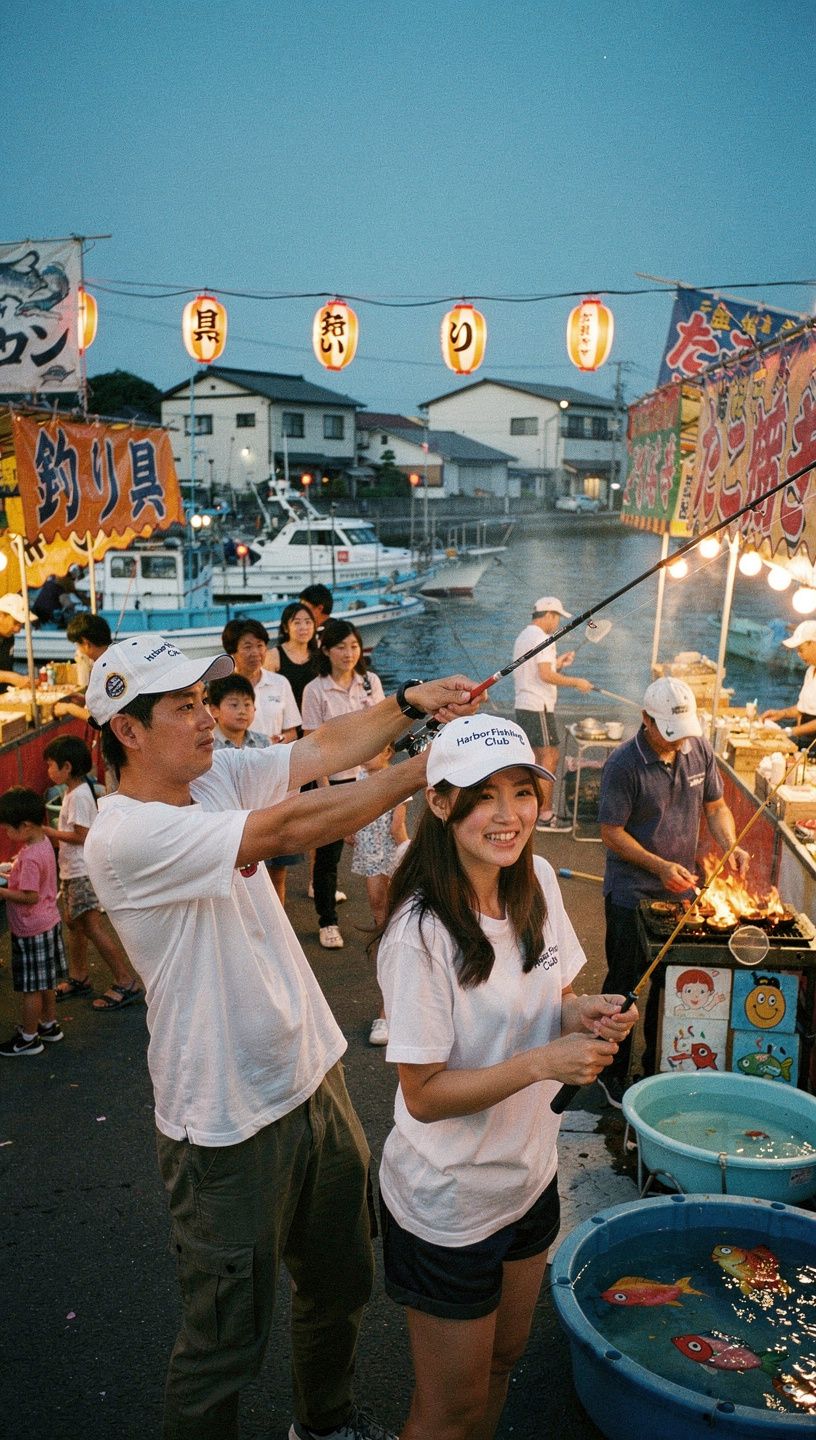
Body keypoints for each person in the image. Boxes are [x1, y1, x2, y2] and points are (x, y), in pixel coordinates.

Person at [82, 630, 477, 1440]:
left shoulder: (214, 776)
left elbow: (319, 749)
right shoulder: (123, 835)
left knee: (341, 1284)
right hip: (224, 1121)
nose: (207, 719)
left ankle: (324, 1426)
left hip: (313, 1079)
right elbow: (292, 826)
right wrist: (431, 768)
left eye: (205, 700)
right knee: (222, 1345)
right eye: (185, 706)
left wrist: (409, 702)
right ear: (127, 729)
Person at [375, 714, 636, 1440]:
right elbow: (423, 1096)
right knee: (447, 1409)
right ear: (438, 803)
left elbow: (549, 1003)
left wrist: (586, 1014)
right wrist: (540, 1064)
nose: (507, 815)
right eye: (481, 795)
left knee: (502, 1364)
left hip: (528, 1176)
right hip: (449, 1204)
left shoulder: (541, 879)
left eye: (522, 792)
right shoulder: (419, 934)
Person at [597, 677, 749, 1107]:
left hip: (680, 894)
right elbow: (611, 833)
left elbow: (716, 807)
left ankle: (656, 1070)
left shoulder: (696, 747)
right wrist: (658, 865)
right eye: (669, 733)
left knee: (670, 987)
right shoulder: (623, 764)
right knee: (624, 986)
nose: (678, 743)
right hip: (632, 891)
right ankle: (611, 1072)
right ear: (646, 719)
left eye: (683, 732)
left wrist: (730, 845)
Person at [301, 620, 385, 949]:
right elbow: (311, 745)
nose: (349, 653)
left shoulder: (370, 682)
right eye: (340, 647)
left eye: (353, 646)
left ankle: (384, 919)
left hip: (368, 777)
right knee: (328, 853)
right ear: (325, 650)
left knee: (380, 851)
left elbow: (381, 730)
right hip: (333, 781)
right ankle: (327, 921)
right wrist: (324, 789)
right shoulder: (315, 690)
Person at [42, 734, 141, 1010]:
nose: (48, 771)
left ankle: (125, 980)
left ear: (67, 767)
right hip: (72, 871)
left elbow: (84, 835)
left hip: (81, 871)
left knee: (91, 926)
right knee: (74, 923)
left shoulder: (79, 796)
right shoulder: (75, 792)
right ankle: (79, 976)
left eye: (51, 765)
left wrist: (48, 832)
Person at [207, 672, 297, 903]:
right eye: (234, 704)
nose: (243, 710)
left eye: (248, 704)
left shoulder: (263, 742)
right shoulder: (207, 746)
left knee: (272, 879)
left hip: (263, 821)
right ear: (214, 710)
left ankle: (276, 924)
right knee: (232, 887)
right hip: (225, 827)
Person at [511, 596, 593, 832]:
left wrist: (558, 663)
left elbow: (537, 669)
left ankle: (534, 811)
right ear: (548, 615)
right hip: (538, 706)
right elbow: (545, 676)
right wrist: (577, 681)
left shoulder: (525, 636)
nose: (557, 623)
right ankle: (545, 816)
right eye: (556, 617)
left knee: (537, 759)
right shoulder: (544, 638)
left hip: (524, 703)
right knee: (550, 757)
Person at [0, 787, 67, 1056]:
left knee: (30, 988)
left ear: (25, 826)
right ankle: (48, 1025)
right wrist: (13, 867)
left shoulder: (28, 857)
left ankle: (29, 1038)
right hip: (48, 921)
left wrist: (2, 891)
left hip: (31, 928)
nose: (6, 834)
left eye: (8, 829)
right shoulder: (42, 845)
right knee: (46, 981)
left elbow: (28, 896)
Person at [351, 744, 410, 1046]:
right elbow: (354, 813)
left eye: (373, 750)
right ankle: (385, 946)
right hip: (370, 851)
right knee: (379, 908)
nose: (365, 755)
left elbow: (398, 825)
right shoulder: (361, 779)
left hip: (391, 851)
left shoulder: (397, 779)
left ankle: (389, 1007)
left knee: (397, 909)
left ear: (388, 752)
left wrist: (405, 854)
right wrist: (351, 830)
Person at [221, 617, 300, 743]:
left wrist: (277, 740)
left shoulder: (280, 683)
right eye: (247, 647)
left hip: (275, 756)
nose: (256, 652)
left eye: (260, 645)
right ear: (232, 651)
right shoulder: (222, 687)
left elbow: (291, 732)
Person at [761, 620, 816, 744]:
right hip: (804, 739)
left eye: (801, 650)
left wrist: (790, 731)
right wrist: (781, 713)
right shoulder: (810, 671)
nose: (799, 655)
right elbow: (804, 709)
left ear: (813, 644)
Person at [264, 601, 320, 710]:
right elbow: (267, 696)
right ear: (285, 628)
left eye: (308, 622)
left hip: (316, 721)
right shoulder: (274, 656)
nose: (303, 627)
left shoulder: (319, 654)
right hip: (286, 721)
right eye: (297, 623)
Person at [0, 593, 36, 694]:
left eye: (21, 625)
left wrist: (22, 680)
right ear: (1, 616)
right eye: (15, 623)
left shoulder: (8, 637)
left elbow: (6, 666)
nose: (18, 630)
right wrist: (12, 677)